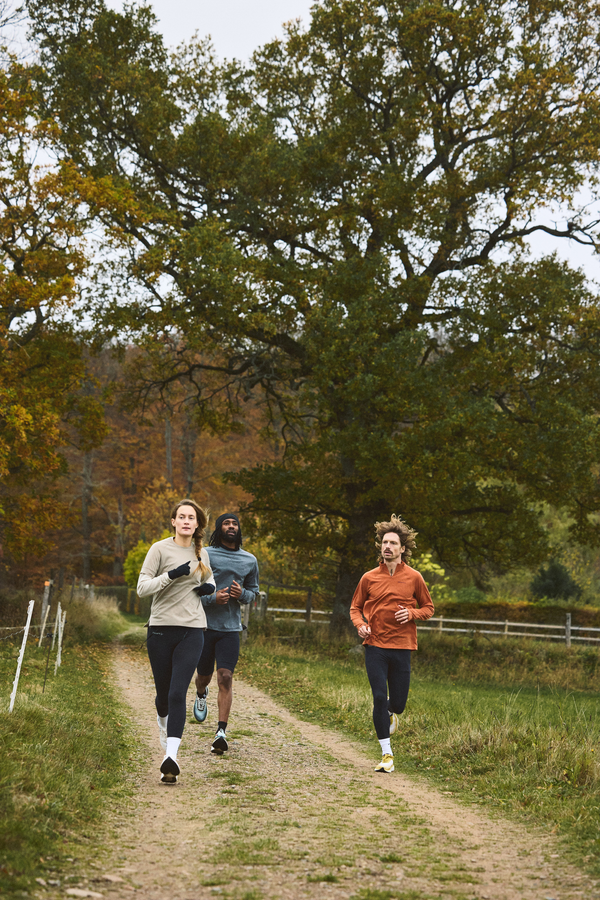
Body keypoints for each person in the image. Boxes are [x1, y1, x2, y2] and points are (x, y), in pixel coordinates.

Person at [137, 499, 215, 784]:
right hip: (159, 629)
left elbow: (211, 581)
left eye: (190, 518)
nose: (185, 521)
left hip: (193, 629)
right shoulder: (159, 549)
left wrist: (209, 588)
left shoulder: (201, 553)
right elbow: (142, 588)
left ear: (197, 524)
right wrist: (170, 576)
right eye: (180, 516)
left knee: (177, 693)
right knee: (163, 696)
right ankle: (163, 724)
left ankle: (171, 757)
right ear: (173, 521)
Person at [350, 514, 434, 774]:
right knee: (378, 697)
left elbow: (429, 608)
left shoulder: (415, 578)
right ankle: (386, 753)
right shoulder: (368, 578)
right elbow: (355, 608)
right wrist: (360, 625)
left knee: (397, 704)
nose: (387, 547)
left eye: (393, 543)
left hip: (403, 647)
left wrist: (411, 614)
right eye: (384, 542)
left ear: (402, 549)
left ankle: (390, 712)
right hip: (375, 646)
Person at [192, 512, 259, 754]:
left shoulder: (249, 560)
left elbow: (254, 592)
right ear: (219, 529)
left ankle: (221, 731)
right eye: (226, 523)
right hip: (204, 626)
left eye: (234, 524)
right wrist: (212, 598)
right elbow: (193, 589)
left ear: (239, 529)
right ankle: (201, 693)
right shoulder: (206, 554)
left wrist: (242, 595)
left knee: (226, 676)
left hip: (231, 628)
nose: (231, 526)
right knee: (204, 675)